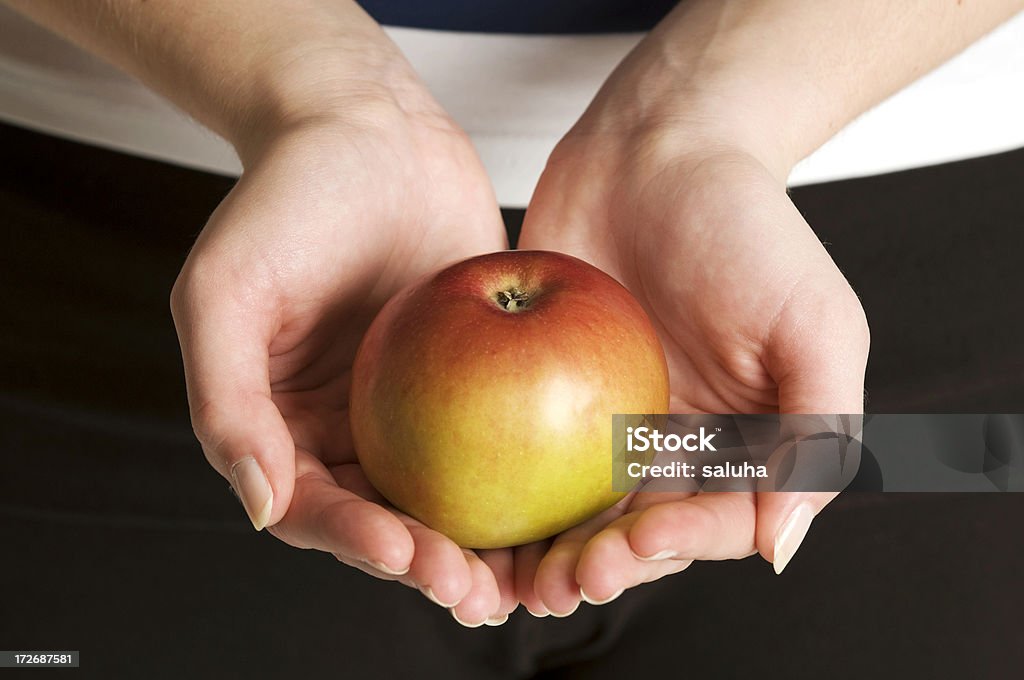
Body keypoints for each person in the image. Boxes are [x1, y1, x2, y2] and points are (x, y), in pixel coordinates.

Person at [2, 0, 1022, 656]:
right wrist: (304, 86)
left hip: (889, 263)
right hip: (151, 284)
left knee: (905, 473)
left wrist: (712, 111)